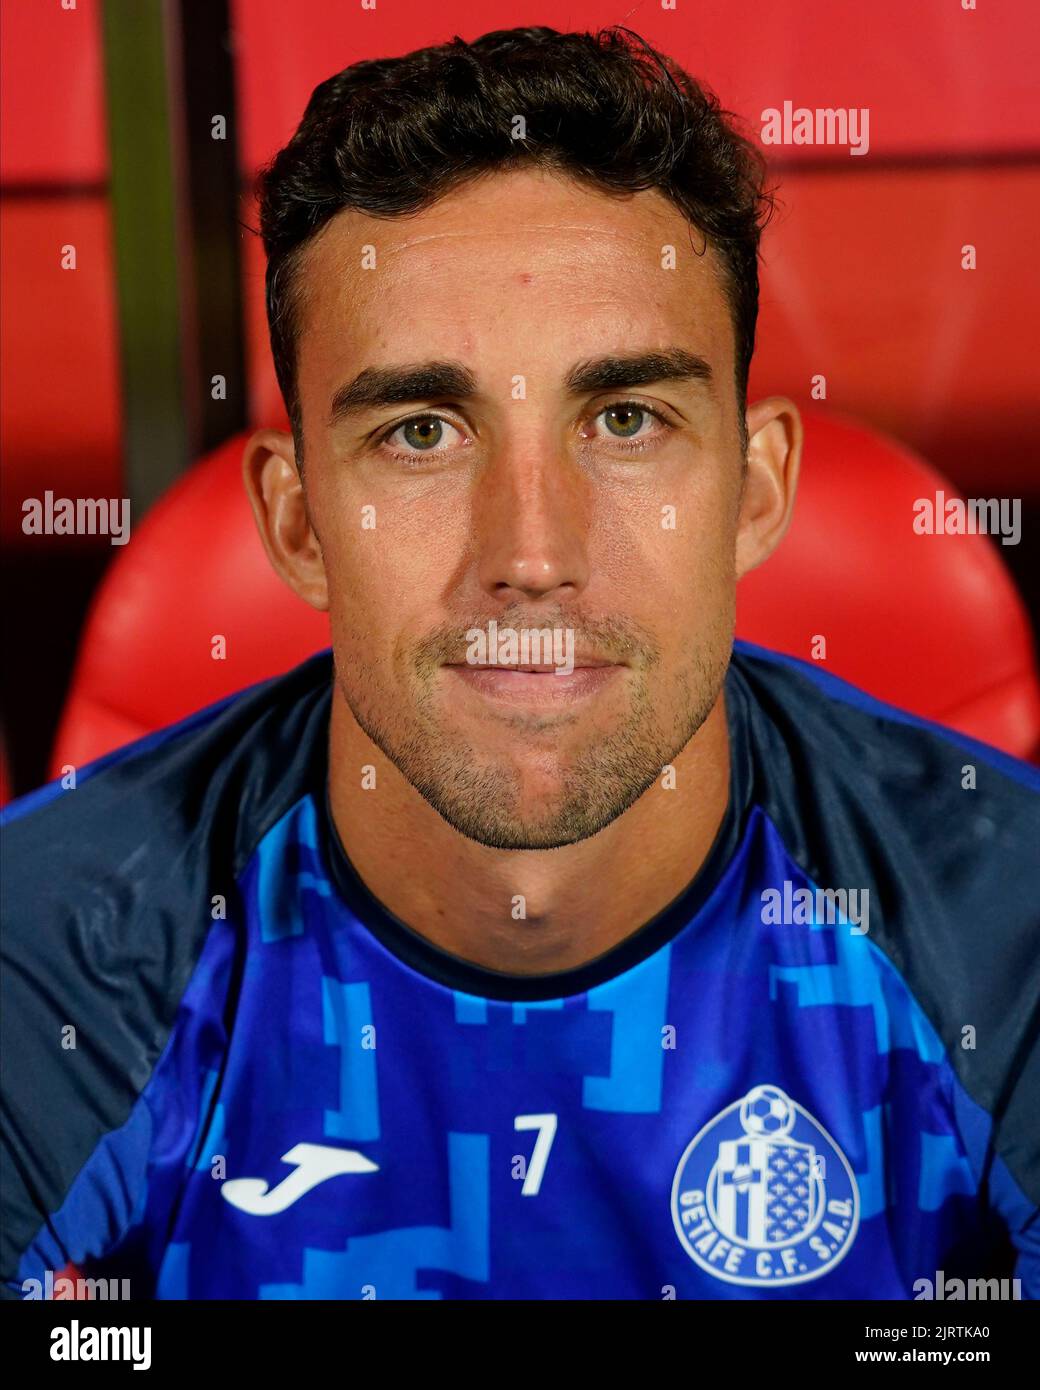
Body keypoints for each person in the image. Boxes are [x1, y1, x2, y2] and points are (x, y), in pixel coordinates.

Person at [2, 25, 1037, 1301]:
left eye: (623, 419)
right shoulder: (49, 941)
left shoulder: (1006, 925)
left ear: (755, 490)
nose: (532, 552)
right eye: (422, 431)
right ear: (296, 520)